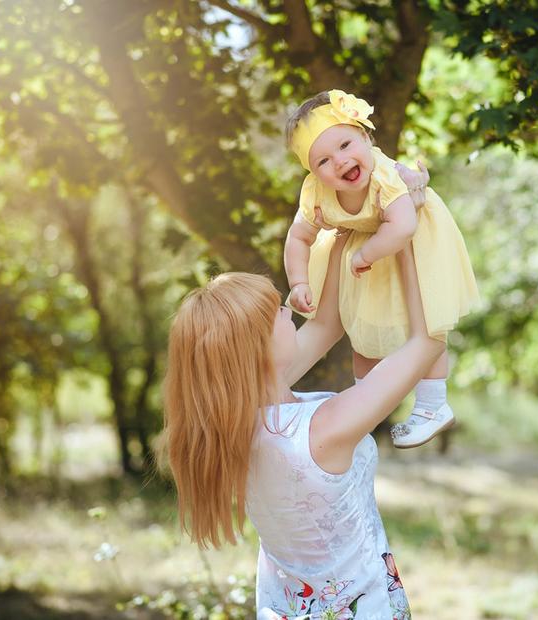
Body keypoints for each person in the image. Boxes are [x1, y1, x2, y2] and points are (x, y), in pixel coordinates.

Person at [163, 228, 441, 619]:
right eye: (276, 312)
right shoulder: (322, 429)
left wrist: (345, 238)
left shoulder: (236, 421)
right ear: (259, 348)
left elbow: (327, 324)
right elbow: (428, 340)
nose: (288, 312)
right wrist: (407, 241)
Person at [283, 89, 479, 448]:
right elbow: (299, 237)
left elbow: (403, 226)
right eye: (323, 161)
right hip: (367, 253)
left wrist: (366, 254)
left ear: (366, 136)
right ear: (313, 174)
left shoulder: (387, 176)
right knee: (364, 335)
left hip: (412, 238)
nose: (339, 161)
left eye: (345, 145)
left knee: (428, 325)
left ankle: (433, 406)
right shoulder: (315, 193)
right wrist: (298, 281)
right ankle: (365, 407)